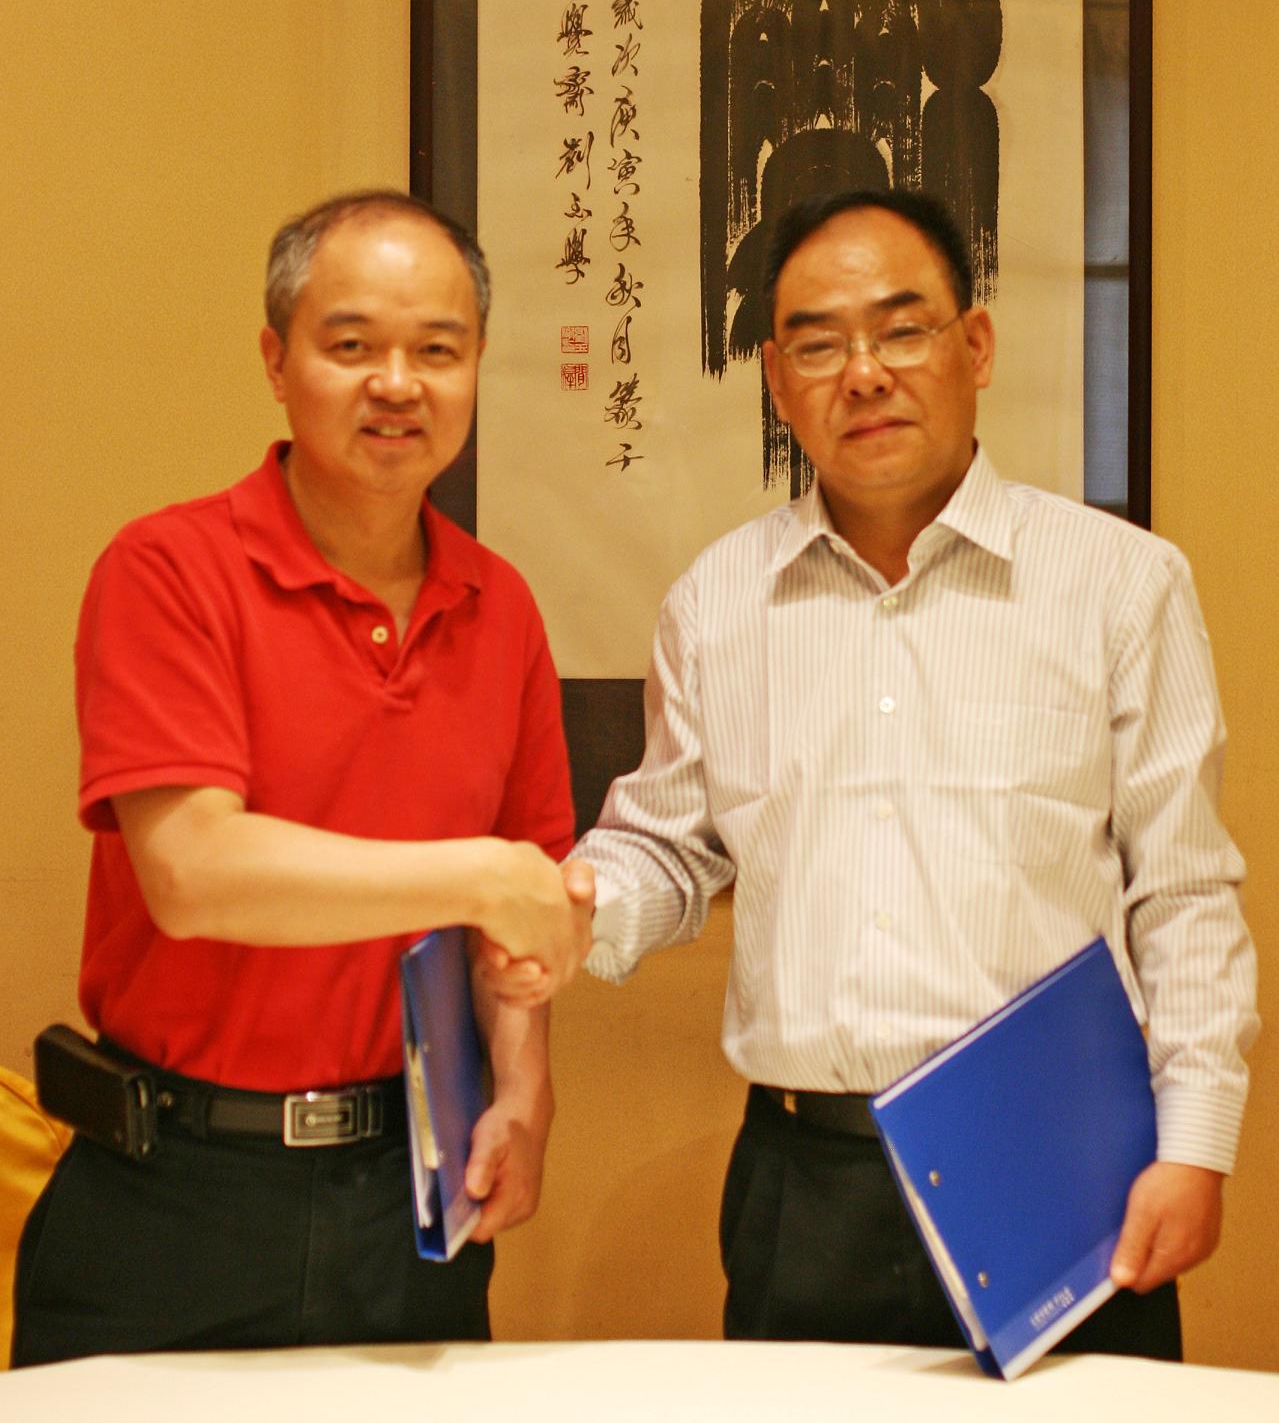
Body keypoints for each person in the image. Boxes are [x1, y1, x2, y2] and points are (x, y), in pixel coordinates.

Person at [546, 189, 1258, 1356]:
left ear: (973, 345)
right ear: (777, 381)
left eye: (901, 328)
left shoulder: (1120, 584)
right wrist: (573, 906)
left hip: (1057, 1168)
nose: (864, 374)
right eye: (818, 345)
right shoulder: (715, 603)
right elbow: (668, 849)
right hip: (804, 1180)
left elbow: (1178, 889)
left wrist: (1194, 1141)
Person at [12, 190, 593, 1366]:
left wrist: (523, 1087)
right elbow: (193, 872)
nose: (398, 383)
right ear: (277, 361)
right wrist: (482, 876)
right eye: (352, 344)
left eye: (439, 350)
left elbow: (519, 920)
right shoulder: (169, 568)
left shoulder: (502, 607)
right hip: (173, 1189)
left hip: (409, 1193)